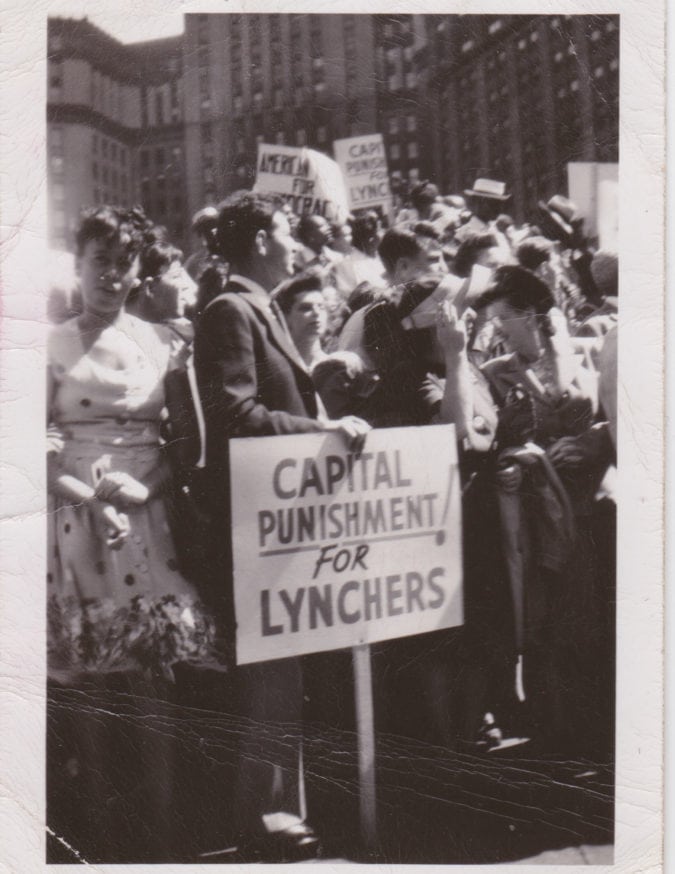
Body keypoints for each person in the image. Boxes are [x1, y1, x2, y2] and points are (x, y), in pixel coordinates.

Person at [193, 190, 370, 861]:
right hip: (255, 520)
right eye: (286, 233)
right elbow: (235, 413)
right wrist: (321, 428)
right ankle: (264, 815)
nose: (296, 245)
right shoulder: (228, 311)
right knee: (270, 668)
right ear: (261, 241)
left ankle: (280, 807)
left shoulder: (253, 309)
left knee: (284, 667)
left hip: (281, 518)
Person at [46, 205, 215, 862]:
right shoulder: (49, 344)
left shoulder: (164, 340)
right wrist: (92, 499)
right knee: (89, 677)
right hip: (77, 520)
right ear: (79, 263)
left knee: (152, 674)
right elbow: (27, 449)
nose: (110, 276)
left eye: (123, 263)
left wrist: (145, 488)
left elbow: (188, 442)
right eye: (98, 262)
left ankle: (165, 831)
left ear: (139, 268)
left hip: (148, 518)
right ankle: (101, 834)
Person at [274, 270, 328, 370]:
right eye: (306, 308)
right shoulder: (278, 368)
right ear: (286, 317)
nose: (316, 313)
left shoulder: (334, 367)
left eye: (321, 307)